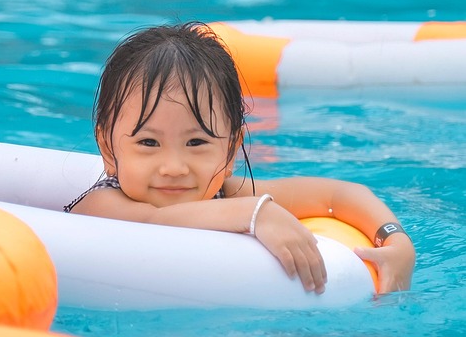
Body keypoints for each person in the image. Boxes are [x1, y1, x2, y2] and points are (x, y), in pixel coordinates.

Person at [66, 22, 415, 294]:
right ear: (109, 149)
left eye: (196, 142)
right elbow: (155, 221)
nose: (174, 168)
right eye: (148, 142)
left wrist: (395, 240)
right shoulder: (101, 205)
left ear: (231, 149)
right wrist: (254, 213)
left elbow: (337, 196)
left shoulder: (228, 191)